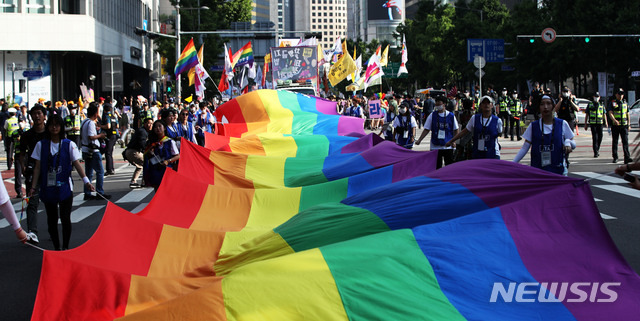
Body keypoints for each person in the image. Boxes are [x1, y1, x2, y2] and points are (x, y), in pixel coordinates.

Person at [29, 115, 94, 251]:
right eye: (51, 125)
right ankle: (56, 247)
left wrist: (86, 181)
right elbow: (37, 167)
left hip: (65, 187)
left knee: (65, 218)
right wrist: (33, 187)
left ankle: (65, 247)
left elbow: (77, 164)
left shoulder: (69, 144)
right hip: (48, 187)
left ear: (61, 127)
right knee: (51, 220)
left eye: (57, 125)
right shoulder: (41, 145)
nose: (54, 128)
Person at [513, 95, 575, 175]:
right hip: (538, 173)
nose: (545, 107)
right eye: (542, 104)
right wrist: (513, 163)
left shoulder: (562, 124)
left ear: (553, 106)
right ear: (539, 107)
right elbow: (525, 148)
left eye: (548, 103)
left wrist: (568, 142)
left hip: (558, 172)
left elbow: (572, 142)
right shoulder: (533, 126)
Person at [19, 104, 49, 244]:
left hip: (49, 170)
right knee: (32, 202)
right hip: (32, 171)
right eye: (34, 114)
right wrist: (23, 166)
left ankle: (52, 229)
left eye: (39, 113)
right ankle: (32, 232)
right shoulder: (27, 135)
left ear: (44, 115)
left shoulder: (50, 133)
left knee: (51, 201)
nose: (37, 116)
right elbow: (21, 153)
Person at [415, 95, 460, 168]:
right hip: (435, 146)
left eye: (439, 103)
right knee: (436, 167)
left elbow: (456, 129)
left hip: (447, 146)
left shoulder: (451, 116)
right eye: (436, 103)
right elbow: (426, 129)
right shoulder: (432, 115)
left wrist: (454, 141)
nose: (437, 105)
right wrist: (420, 140)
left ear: (444, 104)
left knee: (449, 166)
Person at [81, 103, 111, 200]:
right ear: (94, 114)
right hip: (93, 150)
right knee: (100, 171)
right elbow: (91, 136)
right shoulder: (90, 123)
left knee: (89, 172)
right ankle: (99, 192)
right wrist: (100, 136)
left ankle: (87, 193)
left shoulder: (84, 121)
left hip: (86, 149)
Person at [143, 121, 180, 191]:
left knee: (167, 190)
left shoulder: (170, 141)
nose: (158, 128)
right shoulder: (152, 143)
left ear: (164, 128)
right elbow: (147, 156)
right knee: (157, 189)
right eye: (155, 127)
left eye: (160, 126)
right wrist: (150, 153)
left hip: (167, 170)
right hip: (155, 170)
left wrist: (168, 161)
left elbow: (178, 156)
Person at [124, 117, 152, 189]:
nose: (150, 125)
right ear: (145, 123)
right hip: (134, 151)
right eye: (149, 123)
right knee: (147, 163)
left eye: (151, 123)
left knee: (140, 166)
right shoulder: (142, 132)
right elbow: (142, 144)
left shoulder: (144, 131)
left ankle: (134, 182)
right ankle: (144, 182)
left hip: (131, 151)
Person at [607, 88, 632, 164]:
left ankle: (627, 157)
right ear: (616, 95)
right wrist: (614, 120)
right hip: (615, 125)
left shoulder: (625, 103)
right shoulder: (613, 103)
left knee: (625, 142)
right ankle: (615, 157)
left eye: (622, 94)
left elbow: (627, 114)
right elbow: (610, 113)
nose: (621, 95)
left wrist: (629, 124)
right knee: (615, 141)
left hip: (624, 125)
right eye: (619, 94)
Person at [584, 92, 608, 158]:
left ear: (599, 97)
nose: (596, 98)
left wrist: (606, 122)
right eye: (595, 96)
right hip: (593, 123)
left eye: (597, 97)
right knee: (595, 138)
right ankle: (595, 152)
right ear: (593, 97)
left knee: (600, 137)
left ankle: (597, 149)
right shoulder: (590, 104)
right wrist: (585, 124)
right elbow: (587, 114)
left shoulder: (601, 105)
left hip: (600, 123)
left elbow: (604, 114)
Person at [101, 101, 119, 176]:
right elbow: (117, 126)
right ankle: (111, 168)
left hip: (109, 135)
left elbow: (108, 126)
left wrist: (100, 126)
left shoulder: (106, 116)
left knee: (108, 153)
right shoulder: (113, 116)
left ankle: (109, 169)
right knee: (110, 152)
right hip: (114, 135)